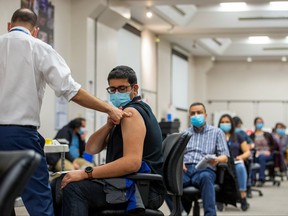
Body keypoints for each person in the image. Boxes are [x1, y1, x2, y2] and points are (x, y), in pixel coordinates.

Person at [0, 8, 129, 216]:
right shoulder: (39, 48)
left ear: (9, 26)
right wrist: (109, 108)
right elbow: (72, 91)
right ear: (36, 31)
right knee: (40, 204)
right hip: (20, 136)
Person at [58, 65, 165, 216]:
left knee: (73, 188)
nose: (116, 93)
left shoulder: (131, 113)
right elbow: (91, 148)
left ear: (135, 88)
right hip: (130, 183)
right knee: (59, 184)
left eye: (122, 88)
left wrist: (85, 173)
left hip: (142, 189)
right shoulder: (122, 113)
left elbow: (132, 163)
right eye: (112, 90)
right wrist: (109, 125)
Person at [180, 102, 230, 216]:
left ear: (205, 115)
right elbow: (178, 155)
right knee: (166, 181)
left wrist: (217, 159)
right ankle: (180, 211)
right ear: (189, 116)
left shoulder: (217, 132)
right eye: (193, 113)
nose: (196, 115)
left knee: (206, 177)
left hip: (205, 169)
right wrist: (179, 162)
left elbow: (225, 157)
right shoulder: (184, 133)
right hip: (185, 170)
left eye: (199, 112)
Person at [218, 114, 250, 211]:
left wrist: (240, 157)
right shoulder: (216, 135)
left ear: (231, 123)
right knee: (220, 170)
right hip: (221, 162)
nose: (225, 124)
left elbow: (247, 152)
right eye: (222, 122)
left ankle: (243, 197)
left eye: (227, 122)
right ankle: (219, 198)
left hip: (235, 162)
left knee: (240, 167)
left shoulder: (238, 136)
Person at [249, 117, 276, 187]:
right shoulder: (251, 136)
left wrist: (269, 151)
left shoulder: (268, 134)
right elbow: (249, 146)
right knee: (252, 158)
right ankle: (252, 179)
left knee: (262, 157)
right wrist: (255, 151)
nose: (259, 124)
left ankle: (261, 179)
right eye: (258, 122)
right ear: (255, 124)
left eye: (261, 122)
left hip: (267, 154)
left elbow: (273, 145)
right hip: (256, 154)